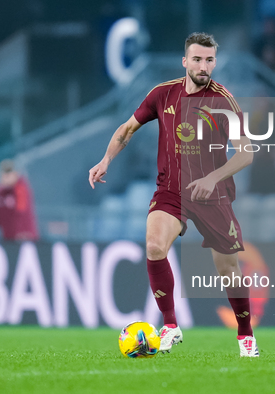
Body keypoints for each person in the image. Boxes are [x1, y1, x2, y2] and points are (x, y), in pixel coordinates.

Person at [89, 33, 258, 357]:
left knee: (228, 270)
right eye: (197, 59)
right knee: (154, 246)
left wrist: (213, 177)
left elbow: (246, 153)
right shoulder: (162, 94)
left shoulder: (223, 100)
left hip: (213, 193)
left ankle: (245, 335)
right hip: (172, 190)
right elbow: (126, 129)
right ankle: (170, 325)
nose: (203, 66)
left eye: (209, 60)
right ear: (185, 62)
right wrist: (106, 159)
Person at [0, 159, 39, 241]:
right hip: (8, 240)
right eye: (3, 175)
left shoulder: (20, 189)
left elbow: (21, 212)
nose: (5, 178)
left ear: (15, 174)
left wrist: (21, 233)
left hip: (24, 239)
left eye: (8, 175)